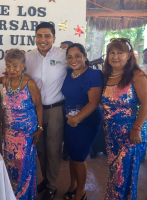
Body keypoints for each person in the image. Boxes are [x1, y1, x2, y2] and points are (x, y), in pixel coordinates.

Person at [26, 21, 67, 200]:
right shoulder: (27, 57)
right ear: (35, 37)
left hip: (55, 109)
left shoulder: (64, 55)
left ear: (54, 38)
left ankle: (52, 185)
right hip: (34, 111)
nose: (43, 40)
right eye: (39, 36)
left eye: (47, 36)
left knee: (53, 148)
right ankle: (44, 179)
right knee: (40, 148)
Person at [101, 38, 147, 199]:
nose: (115, 56)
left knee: (123, 176)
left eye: (120, 53)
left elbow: (146, 102)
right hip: (112, 134)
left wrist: (137, 128)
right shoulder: (107, 75)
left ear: (128, 55)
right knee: (115, 174)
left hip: (131, 134)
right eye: (111, 53)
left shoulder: (136, 75)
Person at [62, 43, 103, 200]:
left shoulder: (94, 75)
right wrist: (71, 120)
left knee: (79, 157)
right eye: (70, 57)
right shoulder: (69, 74)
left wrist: (76, 119)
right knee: (72, 156)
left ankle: (81, 192)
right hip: (70, 120)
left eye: (77, 55)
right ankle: (73, 185)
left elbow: (93, 102)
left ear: (85, 56)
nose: (73, 60)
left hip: (87, 122)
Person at [2, 49, 43, 199]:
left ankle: (24, 197)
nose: (11, 70)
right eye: (8, 66)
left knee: (23, 168)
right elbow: (5, 109)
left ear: (23, 65)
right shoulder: (5, 81)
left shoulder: (29, 83)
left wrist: (40, 128)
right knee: (10, 166)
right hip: (9, 134)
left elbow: (39, 106)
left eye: (15, 66)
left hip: (26, 134)